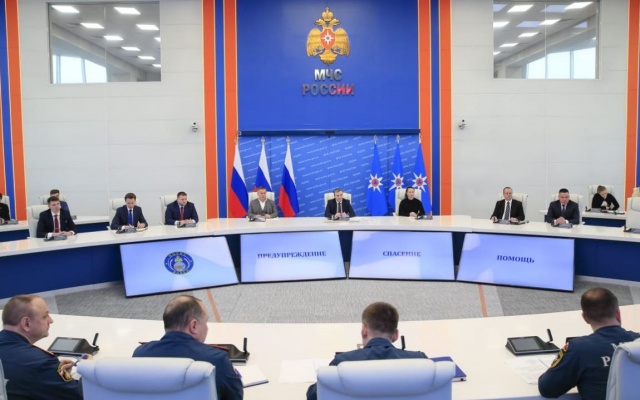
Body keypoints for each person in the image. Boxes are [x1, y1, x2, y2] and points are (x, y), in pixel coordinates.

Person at [306, 302, 426, 400]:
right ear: (395, 335)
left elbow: (313, 396)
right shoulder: (420, 361)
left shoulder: (342, 363)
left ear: (364, 330)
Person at [133, 295, 243, 400]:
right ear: (193, 326)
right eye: (205, 322)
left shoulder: (140, 355)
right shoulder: (217, 361)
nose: (207, 327)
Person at [538, 287, 640, 400]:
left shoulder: (578, 349)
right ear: (617, 313)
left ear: (585, 318)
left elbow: (548, 389)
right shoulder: (637, 342)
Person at [0, 295, 86, 399]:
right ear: (26, 323)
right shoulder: (40, 363)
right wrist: (88, 369)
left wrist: (54, 375)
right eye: (45, 316)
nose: (51, 320)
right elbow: (80, 395)